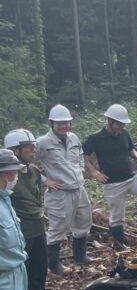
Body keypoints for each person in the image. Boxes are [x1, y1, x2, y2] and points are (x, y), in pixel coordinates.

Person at [83, 104, 137, 247]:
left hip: (132, 177)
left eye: (123, 124)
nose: (121, 127)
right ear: (110, 122)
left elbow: (130, 148)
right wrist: (94, 172)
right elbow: (84, 157)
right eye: (119, 124)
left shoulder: (124, 134)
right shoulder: (96, 138)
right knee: (117, 216)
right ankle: (120, 243)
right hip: (113, 183)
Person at [36, 105, 92, 273]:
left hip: (79, 188)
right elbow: (27, 164)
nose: (63, 126)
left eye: (66, 123)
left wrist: (81, 169)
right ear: (52, 123)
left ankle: (80, 256)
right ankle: (54, 264)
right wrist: (45, 180)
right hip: (60, 192)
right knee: (58, 227)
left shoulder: (73, 138)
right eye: (59, 123)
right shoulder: (42, 143)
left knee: (83, 220)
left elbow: (81, 156)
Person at [4, 131, 48, 290]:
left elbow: (37, 196)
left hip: (37, 226)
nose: (33, 151)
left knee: (40, 265)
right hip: (21, 230)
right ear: (16, 150)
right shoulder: (7, 176)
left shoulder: (35, 171)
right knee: (21, 269)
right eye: (29, 147)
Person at [0, 149, 28, 290]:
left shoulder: (6, 200)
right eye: (10, 173)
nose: (14, 178)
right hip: (2, 274)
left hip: (17, 269)